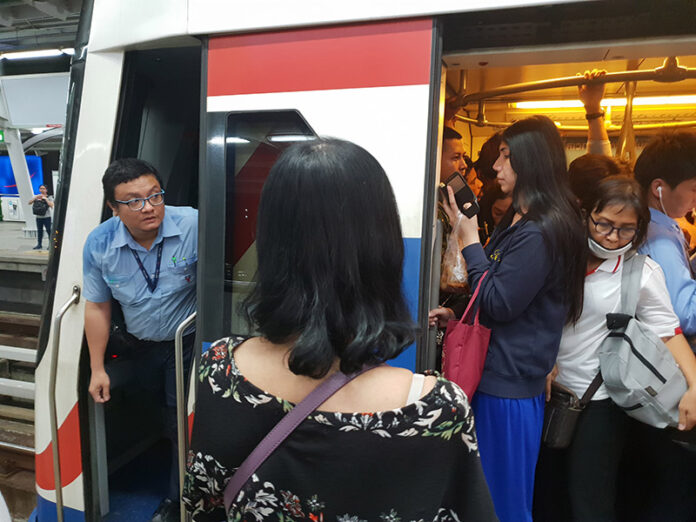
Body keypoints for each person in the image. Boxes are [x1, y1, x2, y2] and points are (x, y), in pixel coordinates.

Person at [183, 138, 497, 522]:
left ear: (268, 243)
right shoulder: (437, 407)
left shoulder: (218, 369)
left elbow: (203, 503)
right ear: (384, 250)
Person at [442, 115, 587, 522]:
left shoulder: (541, 230)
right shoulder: (518, 221)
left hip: (507, 387)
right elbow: (501, 286)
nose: (495, 166)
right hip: (494, 376)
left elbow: (503, 301)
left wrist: (469, 238)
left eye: (506, 156)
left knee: (500, 503)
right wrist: (455, 311)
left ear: (532, 161)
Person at [539, 175, 696, 522]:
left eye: (626, 229)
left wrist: (695, 386)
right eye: (604, 224)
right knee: (544, 498)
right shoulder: (554, 255)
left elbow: (669, 333)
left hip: (599, 403)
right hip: (542, 395)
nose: (612, 236)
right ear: (585, 215)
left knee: (590, 503)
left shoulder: (640, 272)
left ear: (640, 229)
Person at [82, 158, 198, 522]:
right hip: (139, 344)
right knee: (149, 414)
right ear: (113, 208)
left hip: (186, 343)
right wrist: (97, 368)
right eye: (133, 201)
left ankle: (176, 502)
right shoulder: (100, 244)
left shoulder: (193, 224)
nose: (148, 207)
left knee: (180, 423)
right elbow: (97, 307)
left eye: (154, 196)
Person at [631, 130, 696, 521]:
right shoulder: (659, 238)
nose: (693, 199)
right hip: (669, 376)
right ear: (659, 188)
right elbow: (682, 312)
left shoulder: (660, 227)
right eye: (691, 189)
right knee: (674, 488)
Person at [28, 184, 54, 250]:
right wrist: (35, 198)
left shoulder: (50, 197)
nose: (42, 190)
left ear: (46, 190)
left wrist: (46, 199)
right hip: (38, 217)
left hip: (47, 217)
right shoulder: (37, 196)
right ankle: (39, 244)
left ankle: (50, 245)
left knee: (49, 231)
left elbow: (51, 205)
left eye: (43, 188)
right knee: (39, 231)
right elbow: (29, 203)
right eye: (41, 188)